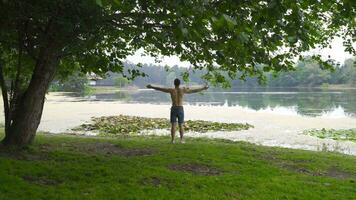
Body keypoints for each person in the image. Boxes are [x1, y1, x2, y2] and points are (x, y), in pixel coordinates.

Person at [146, 79, 209, 144]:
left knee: (173, 125)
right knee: (181, 125)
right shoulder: (183, 90)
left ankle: (173, 140)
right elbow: (194, 90)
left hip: (174, 108)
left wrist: (152, 86)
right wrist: (203, 88)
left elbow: (161, 89)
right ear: (179, 83)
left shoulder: (171, 90)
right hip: (180, 108)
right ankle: (181, 140)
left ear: (174, 84)